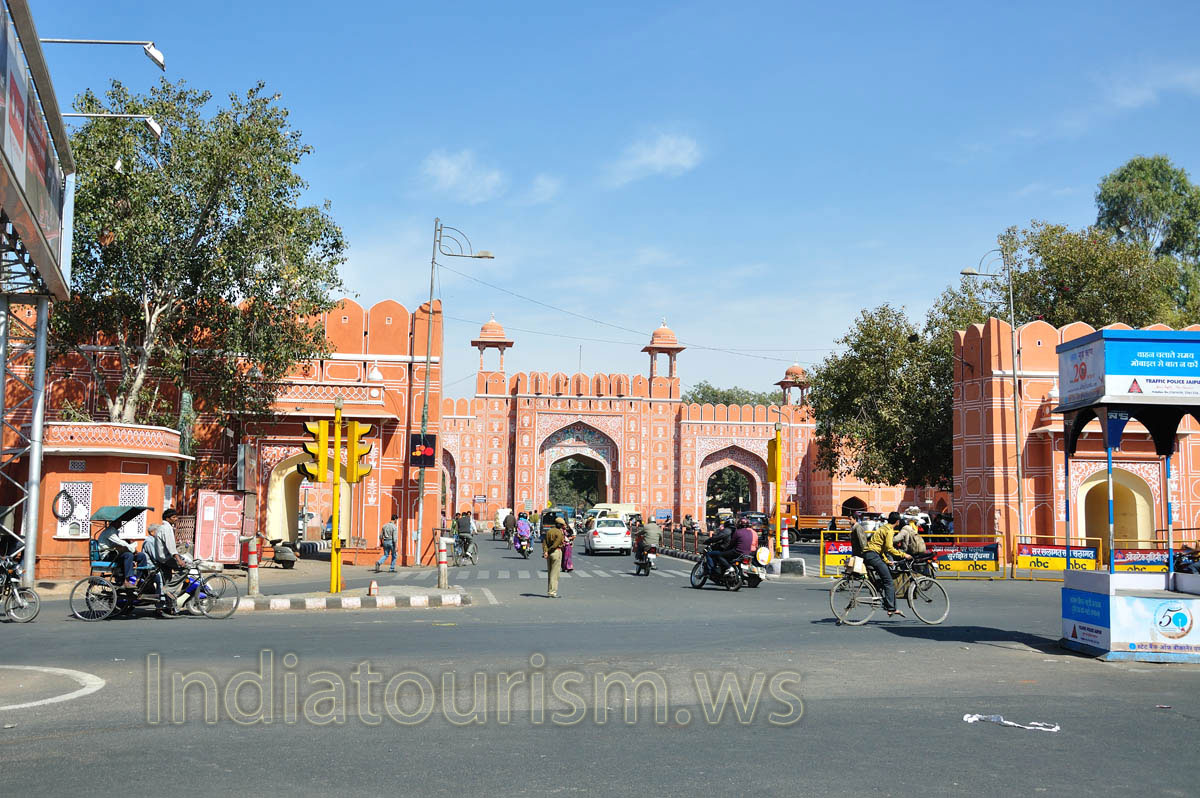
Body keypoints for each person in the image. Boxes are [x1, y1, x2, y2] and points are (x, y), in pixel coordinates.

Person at [863, 512, 913, 618]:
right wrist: (904, 555)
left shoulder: (883, 528)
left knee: (884, 577)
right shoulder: (890, 530)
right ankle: (891, 609)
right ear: (897, 521)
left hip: (870, 554)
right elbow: (889, 548)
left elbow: (881, 548)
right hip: (873, 556)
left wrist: (886, 561)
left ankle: (886, 601)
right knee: (889, 582)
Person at [98, 521, 140, 587]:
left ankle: (139, 579)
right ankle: (127, 580)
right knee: (128, 555)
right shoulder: (110, 531)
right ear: (114, 522)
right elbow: (120, 542)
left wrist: (128, 542)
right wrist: (132, 548)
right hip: (107, 555)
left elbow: (118, 543)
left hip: (113, 553)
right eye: (119, 522)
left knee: (141, 556)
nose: (120, 524)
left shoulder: (114, 531)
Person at [543, 518, 566, 598]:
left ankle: (549, 590)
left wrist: (545, 552)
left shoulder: (549, 531)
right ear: (560, 525)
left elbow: (545, 542)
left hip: (549, 554)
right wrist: (548, 551)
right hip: (556, 552)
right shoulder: (559, 533)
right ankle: (552, 592)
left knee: (550, 573)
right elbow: (556, 545)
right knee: (555, 574)